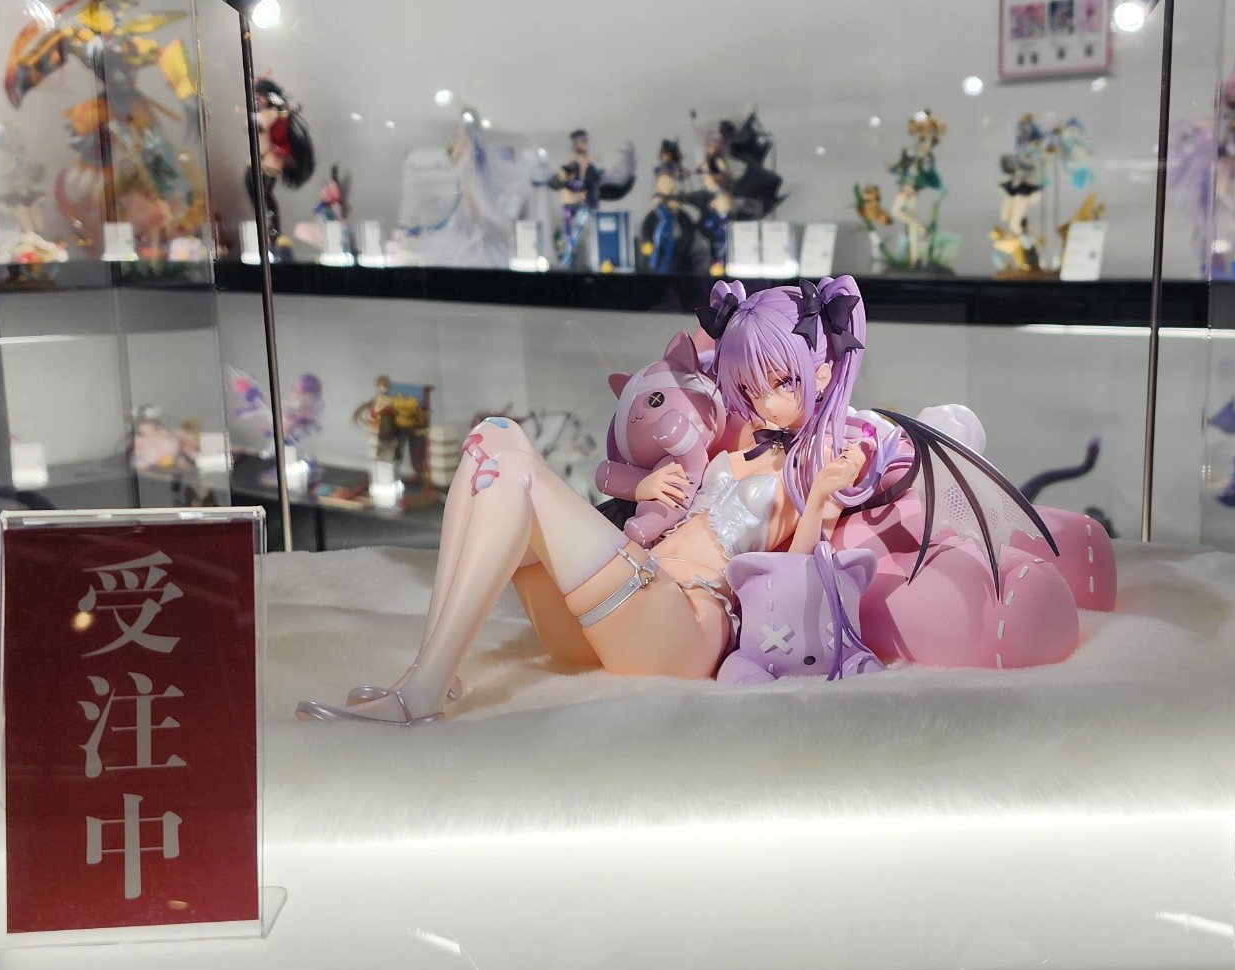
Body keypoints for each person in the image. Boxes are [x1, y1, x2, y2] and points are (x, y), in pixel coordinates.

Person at [308, 280, 892, 724]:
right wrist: (645, 486)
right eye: (751, 385)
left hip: (685, 623)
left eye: (782, 382)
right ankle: (430, 668)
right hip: (623, 605)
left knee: (518, 463)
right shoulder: (740, 441)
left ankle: (422, 694)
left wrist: (819, 493)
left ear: (820, 371)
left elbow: (803, 572)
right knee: (492, 438)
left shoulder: (829, 456)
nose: (764, 401)